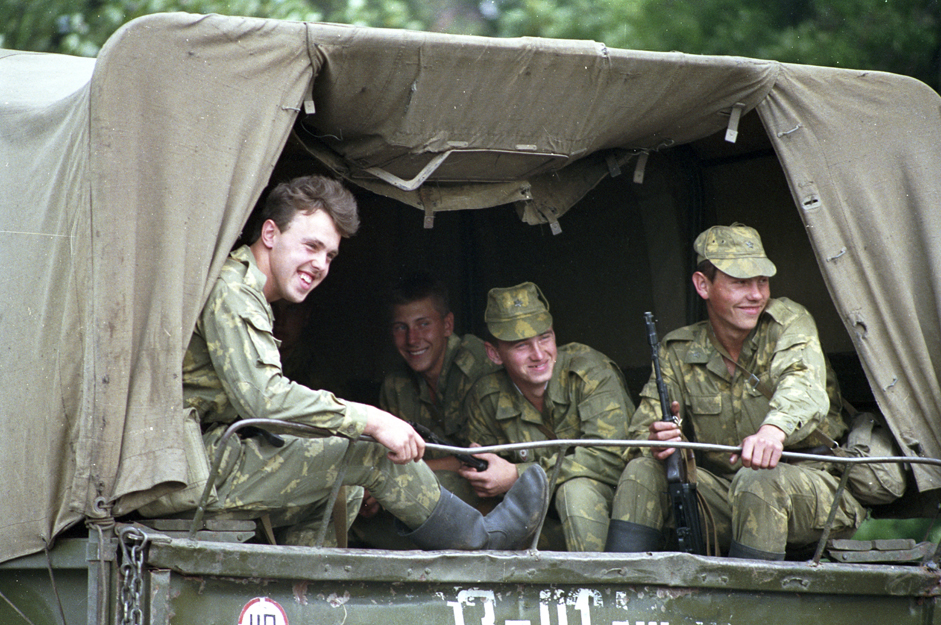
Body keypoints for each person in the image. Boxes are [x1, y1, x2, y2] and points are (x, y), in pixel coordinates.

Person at [175, 174, 548, 550]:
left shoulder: (247, 290)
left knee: (346, 483)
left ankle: (304, 595)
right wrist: (372, 420)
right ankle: (480, 539)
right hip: (197, 468)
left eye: (330, 255)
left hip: (211, 461)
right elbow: (265, 400)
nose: (320, 264)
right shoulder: (234, 291)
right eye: (311, 246)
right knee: (367, 452)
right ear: (270, 234)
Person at [606, 223, 865, 560]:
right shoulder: (678, 350)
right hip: (725, 495)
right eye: (740, 282)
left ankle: (751, 608)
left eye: (762, 281)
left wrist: (773, 431)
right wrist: (658, 441)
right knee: (641, 473)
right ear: (703, 285)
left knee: (758, 482)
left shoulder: (788, 322)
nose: (756, 294)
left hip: (814, 488)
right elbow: (642, 434)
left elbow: (803, 383)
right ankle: (621, 597)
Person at [460, 282, 634, 551]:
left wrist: (518, 474)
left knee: (574, 492)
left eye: (545, 337)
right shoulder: (487, 398)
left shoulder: (588, 372)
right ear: (494, 354)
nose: (539, 355)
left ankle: (598, 589)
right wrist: (483, 473)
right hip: (544, 523)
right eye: (521, 345)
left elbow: (614, 457)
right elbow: (488, 480)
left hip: (616, 513)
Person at [352, 272, 500, 547]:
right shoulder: (396, 384)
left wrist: (388, 481)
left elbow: (481, 460)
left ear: (447, 325)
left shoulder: (478, 365)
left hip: (483, 489)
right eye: (400, 327)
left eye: (423, 324)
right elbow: (389, 457)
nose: (412, 338)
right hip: (427, 489)